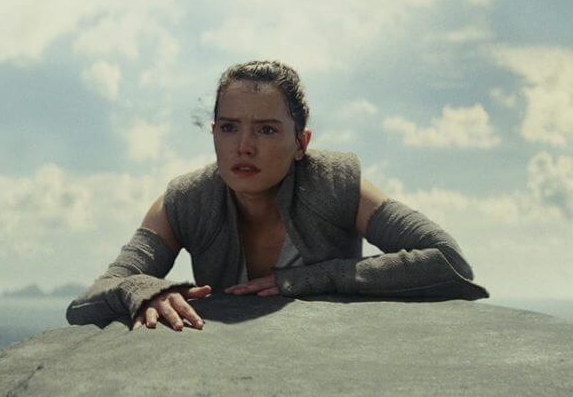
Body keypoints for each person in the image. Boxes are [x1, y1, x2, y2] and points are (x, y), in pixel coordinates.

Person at [66, 60, 488, 331]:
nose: (243, 146)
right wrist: (144, 290)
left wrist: (314, 278)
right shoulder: (185, 199)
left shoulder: (337, 182)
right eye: (229, 127)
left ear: (301, 143)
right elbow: (88, 301)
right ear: (213, 134)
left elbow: (449, 260)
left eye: (266, 129)